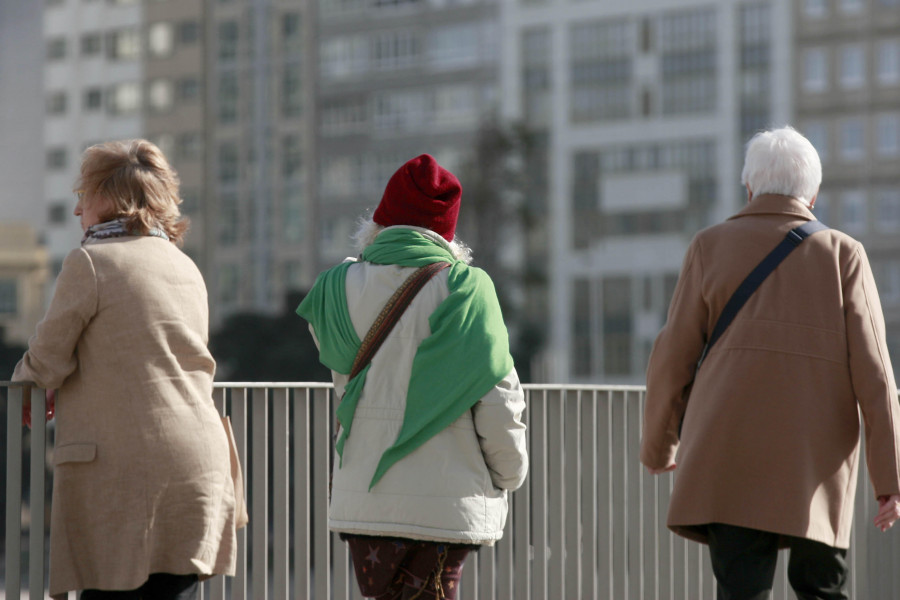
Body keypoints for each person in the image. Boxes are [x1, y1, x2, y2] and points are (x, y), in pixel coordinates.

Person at [640, 126, 900, 600]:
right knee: (821, 589)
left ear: (749, 186)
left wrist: (659, 446)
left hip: (727, 454)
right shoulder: (844, 254)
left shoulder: (708, 246)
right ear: (814, 194)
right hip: (816, 465)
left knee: (741, 591)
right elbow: (876, 375)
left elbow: (672, 356)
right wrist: (890, 480)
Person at [13, 140, 240, 600]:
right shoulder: (184, 266)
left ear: (111, 198)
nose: (78, 210)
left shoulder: (91, 262)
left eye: (85, 194)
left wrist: (29, 386)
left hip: (127, 481)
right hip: (198, 468)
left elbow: (46, 358)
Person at [297, 154, 528, 599]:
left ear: (381, 219)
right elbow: (500, 399)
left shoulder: (335, 287)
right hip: (444, 505)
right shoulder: (466, 290)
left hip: (363, 497)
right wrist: (509, 472)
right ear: (447, 230)